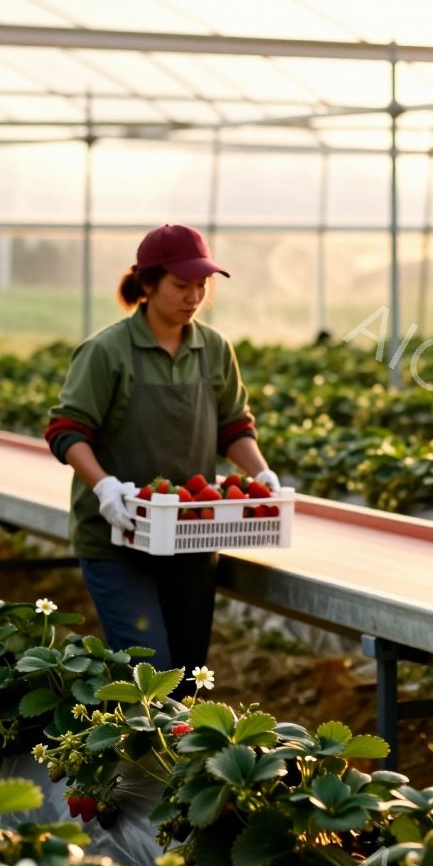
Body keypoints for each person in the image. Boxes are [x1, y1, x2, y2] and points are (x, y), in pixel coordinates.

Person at [45, 224, 279, 676]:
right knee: (148, 671)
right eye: (181, 285)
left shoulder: (213, 350)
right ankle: (133, 744)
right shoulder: (107, 351)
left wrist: (261, 473)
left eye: (201, 285)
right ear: (148, 285)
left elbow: (233, 426)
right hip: (118, 535)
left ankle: (175, 746)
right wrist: (105, 486)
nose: (194, 297)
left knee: (189, 675)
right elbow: (67, 430)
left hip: (190, 534)